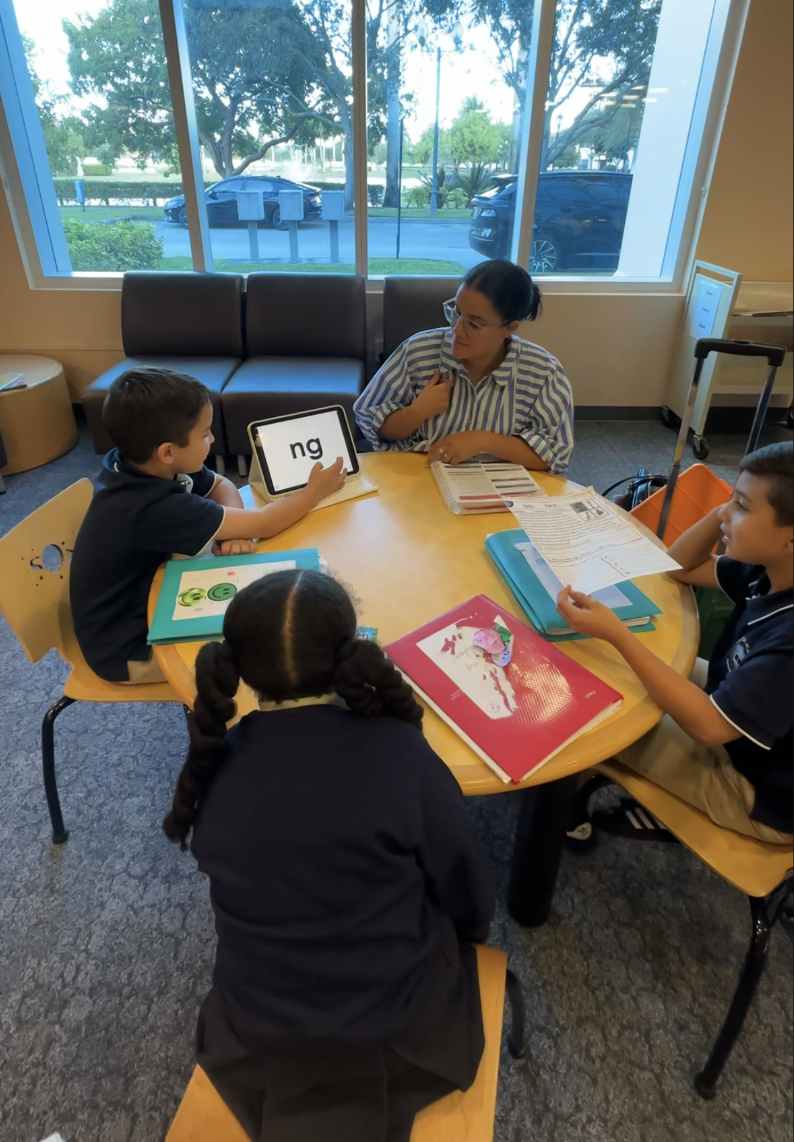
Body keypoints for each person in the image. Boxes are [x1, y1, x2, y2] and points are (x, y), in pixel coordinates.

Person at [163, 569, 496, 1142]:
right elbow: (466, 889)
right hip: (402, 1041)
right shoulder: (402, 757)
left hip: (256, 1045)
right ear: (350, 654)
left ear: (241, 671)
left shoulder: (214, 766)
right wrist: (466, 932)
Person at [561, 441, 793, 845]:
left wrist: (618, 633)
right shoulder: (772, 570)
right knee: (612, 669)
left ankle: (561, 814)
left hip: (753, 792)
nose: (726, 512)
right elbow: (678, 567)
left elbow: (708, 727)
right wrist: (724, 513)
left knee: (598, 721)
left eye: (742, 507)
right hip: (731, 709)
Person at [70, 368, 345, 684]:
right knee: (276, 645)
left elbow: (222, 484)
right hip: (129, 650)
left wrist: (235, 525)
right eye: (205, 434)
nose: (213, 439)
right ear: (168, 452)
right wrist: (313, 492)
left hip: (143, 599)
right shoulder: (150, 506)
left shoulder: (137, 462)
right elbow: (266, 522)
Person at [354, 259, 574, 472]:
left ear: (510, 328)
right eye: (456, 311)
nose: (457, 330)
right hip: (420, 479)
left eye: (474, 323)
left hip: (500, 491)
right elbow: (374, 425)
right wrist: (415, 413)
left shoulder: (543, 372)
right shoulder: (418, 352)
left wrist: (483, 441)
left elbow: (554, 454)